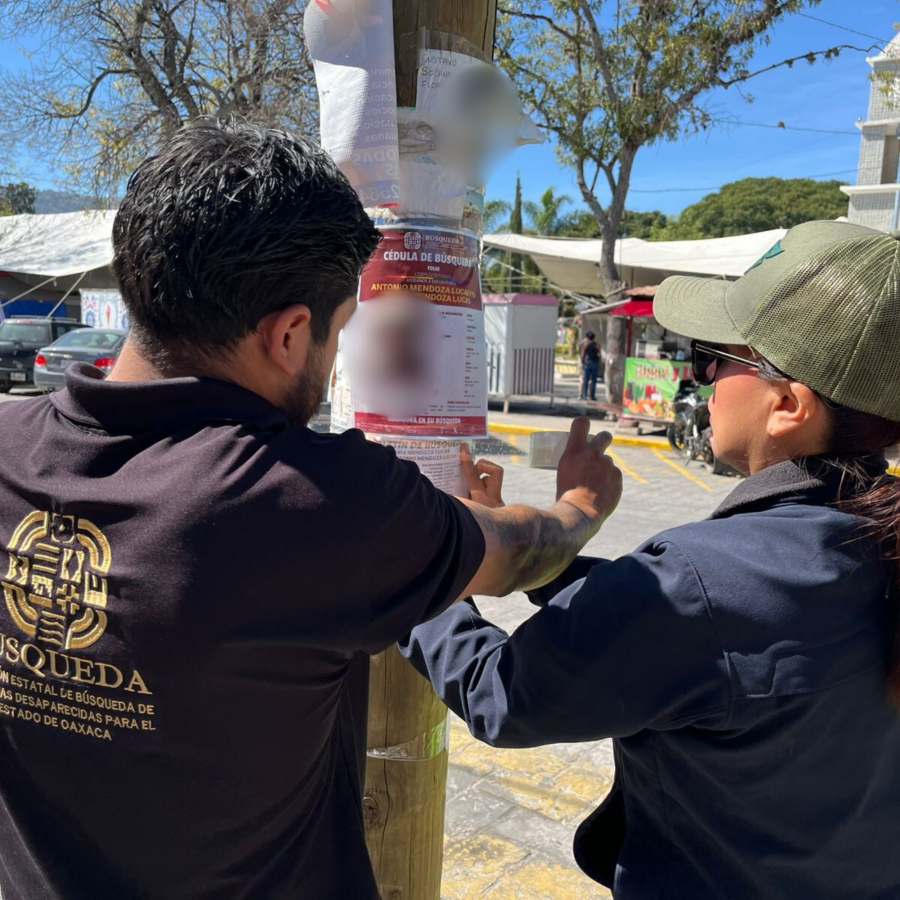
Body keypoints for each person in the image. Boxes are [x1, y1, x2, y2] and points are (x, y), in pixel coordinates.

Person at [0, 119, 622, 900]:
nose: (333, 369)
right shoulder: (312, 498)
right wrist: (582, 502)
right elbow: (517, 553)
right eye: (339, 338)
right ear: (292, 334)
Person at [402, 220, 900, 899]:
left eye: (716, 360)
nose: (702, 379)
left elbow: (504, 695)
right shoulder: (865, 540)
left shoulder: (705, 581)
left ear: (788, 404)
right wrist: (539, 557)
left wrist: (424, 573)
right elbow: (698, 628)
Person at [580, 330, 601, 401]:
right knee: (594, 381)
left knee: (586, 380)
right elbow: (599, 354)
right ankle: (592, 395)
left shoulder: (585, 345)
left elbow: (583, 354)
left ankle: (585, 395)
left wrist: (582, 362)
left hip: (587, 363)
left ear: (587, 337)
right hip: (595, 363)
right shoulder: (597, 345)